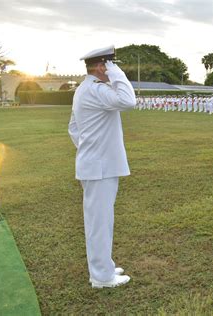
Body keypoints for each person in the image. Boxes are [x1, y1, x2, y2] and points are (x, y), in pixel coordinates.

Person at [68, 45, 136, 288]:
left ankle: (103, 267)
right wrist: (118, 75)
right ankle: (102, 277)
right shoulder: (95, 89)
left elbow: (74, 129)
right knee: (100, 223)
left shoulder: (84, 89)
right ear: (100, 66)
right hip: (100, 167)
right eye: (110, 64)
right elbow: (129, 101)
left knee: (100, 221)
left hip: (95, 164)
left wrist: (89, 149)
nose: (113, 69)